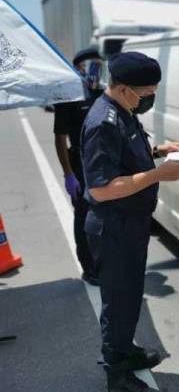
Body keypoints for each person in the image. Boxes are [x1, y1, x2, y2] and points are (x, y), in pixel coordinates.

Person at [81, 51, 179, 391]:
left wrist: (157, 151)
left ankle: (126, 351)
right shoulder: (103, 123)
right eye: (146, 94)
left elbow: (126, 157)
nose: (150, 99)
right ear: (125, 89)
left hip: (130, 225)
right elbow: (100, 190)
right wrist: (159, 174)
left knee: (129, 297)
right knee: (118, 300)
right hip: (114, 228)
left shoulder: (123, 112)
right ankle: (117, 373)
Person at [53, 46, 104, 285]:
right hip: (80, 165)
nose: (96, 69)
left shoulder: (103, 94)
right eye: (91, 65)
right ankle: (89, 267)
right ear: (79, 68)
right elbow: (60, 137)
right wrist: (68, 173)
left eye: (98, 65)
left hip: (103, 165)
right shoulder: (68, 97)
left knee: (103, 216)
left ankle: (102, 262)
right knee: (84, 217)